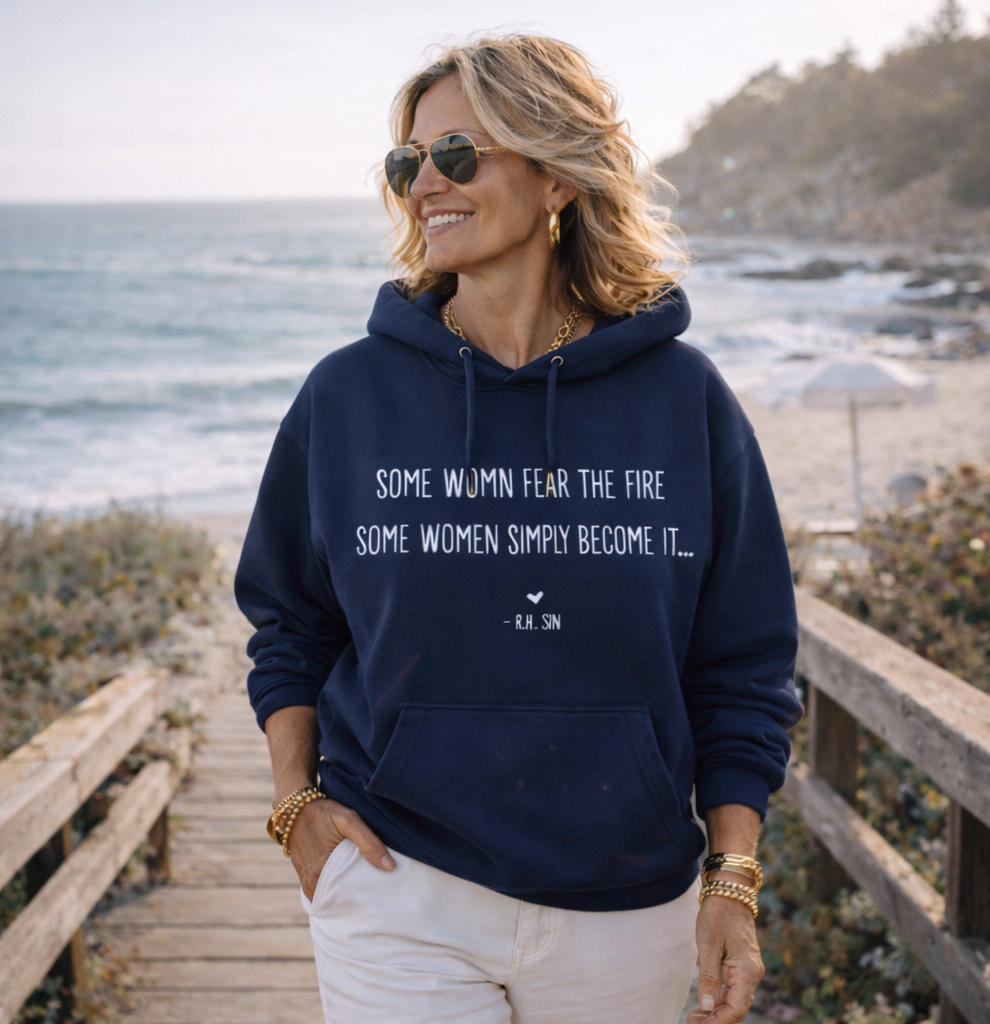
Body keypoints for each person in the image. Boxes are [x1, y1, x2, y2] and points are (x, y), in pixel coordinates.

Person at [236, 34, 801, 1024]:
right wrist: (295, 804)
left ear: (554, 176)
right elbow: (289, 619)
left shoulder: (683, 399)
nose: (425, 185)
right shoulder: (348, 396)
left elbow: (743, 663)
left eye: (458, 154)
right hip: (398, 880)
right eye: (408, 161)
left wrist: (732, 879)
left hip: (628, 900)